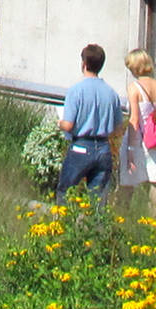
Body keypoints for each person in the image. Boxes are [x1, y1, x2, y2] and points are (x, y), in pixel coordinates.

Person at [55, 43, 124, 201]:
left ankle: (62, 224)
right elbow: (119, 127)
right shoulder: (111, 93)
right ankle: (97, 225)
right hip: (103, 148)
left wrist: (59, 123)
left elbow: (69, 125)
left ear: (84, 64)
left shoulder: (76, 90)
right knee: (98, 199)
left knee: (66, 192)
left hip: (81, 146)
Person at [121, 48, 156, 214]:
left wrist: (131, 150)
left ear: (135, 67)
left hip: (138, 139)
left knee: (127, 182)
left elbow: (134, 119)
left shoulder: (134, 88)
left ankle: (120, 220)